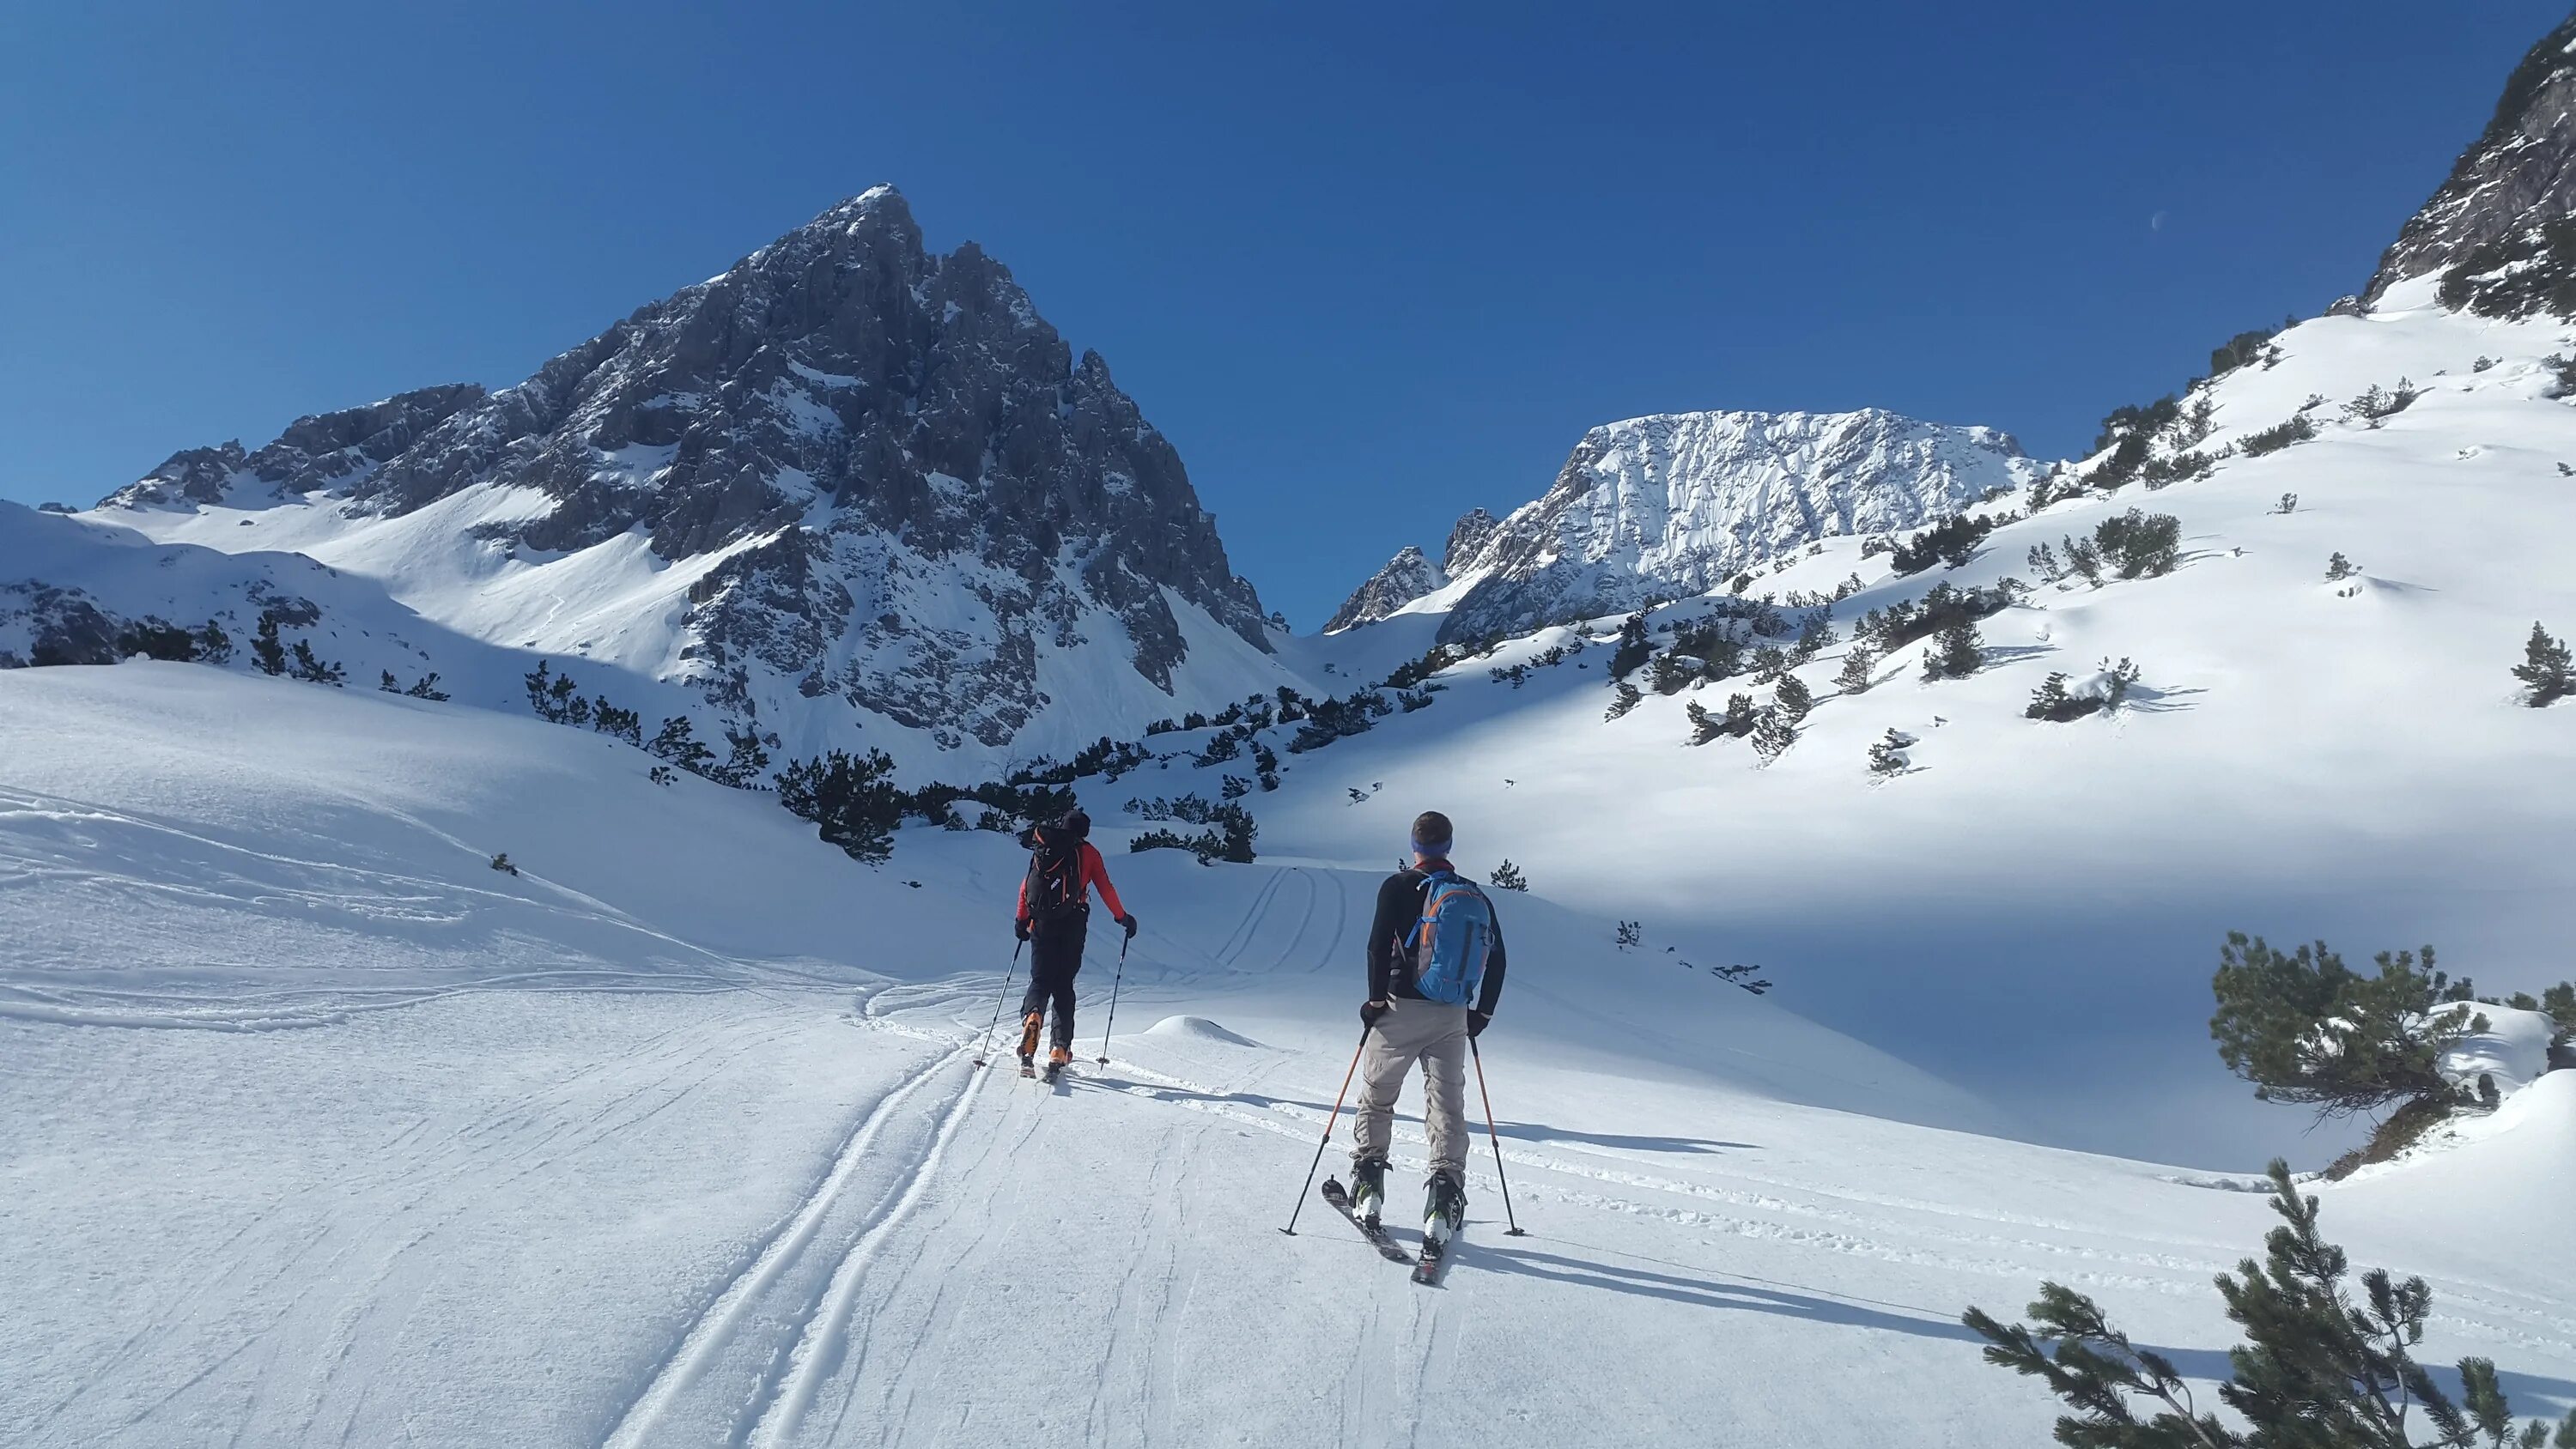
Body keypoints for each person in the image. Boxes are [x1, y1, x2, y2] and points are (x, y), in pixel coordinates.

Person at [1349, 810, 1506, 1237]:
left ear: (1414, 846)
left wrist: (1375, 1000)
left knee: (1378, 1098)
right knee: (1446, 1106)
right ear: (1449, 846)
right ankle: (1444, 1197)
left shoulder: (1399, 886)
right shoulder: (1474, 896)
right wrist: (1481, 1015)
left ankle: (1368, 1184)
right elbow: (1498, 960)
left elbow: (1378, 947)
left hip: (1399, 1011)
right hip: (1452, 1015)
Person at [1014, 809, 1136, 1073]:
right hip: (1073, 922)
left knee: (1040, 980)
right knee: (1063, 984)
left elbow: (1026, 887)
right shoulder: (1089, 853)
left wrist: (1021, 920)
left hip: (1042, 923)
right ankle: (1059, 1047)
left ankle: (1033, 1015)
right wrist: (1122, 917)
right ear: (1085, 831)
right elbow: (1105, 887)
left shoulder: (1044, 847)